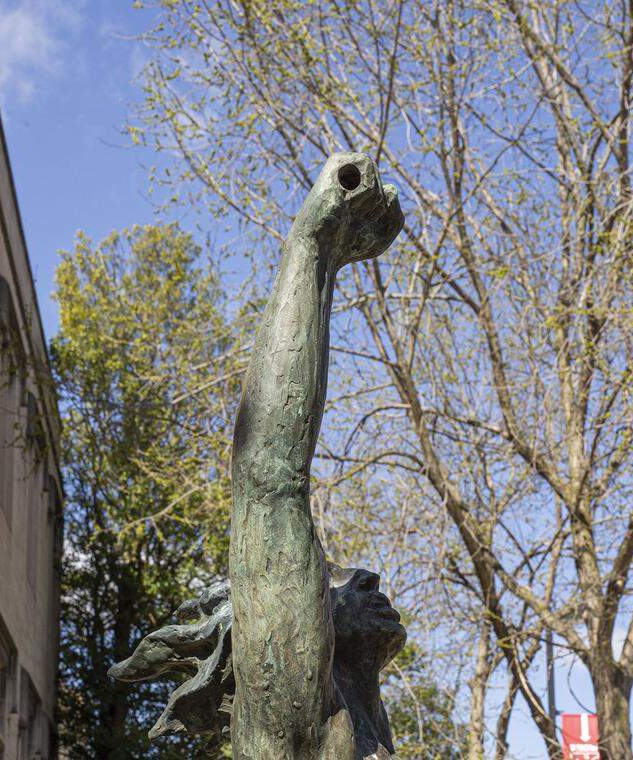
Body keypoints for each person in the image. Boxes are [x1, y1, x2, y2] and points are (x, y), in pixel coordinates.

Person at [110, 153, 407, 759]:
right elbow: (269, 477)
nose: (367, 577)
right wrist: (314, 244)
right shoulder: (297, 706)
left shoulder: (358, 717)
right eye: (333, 579)